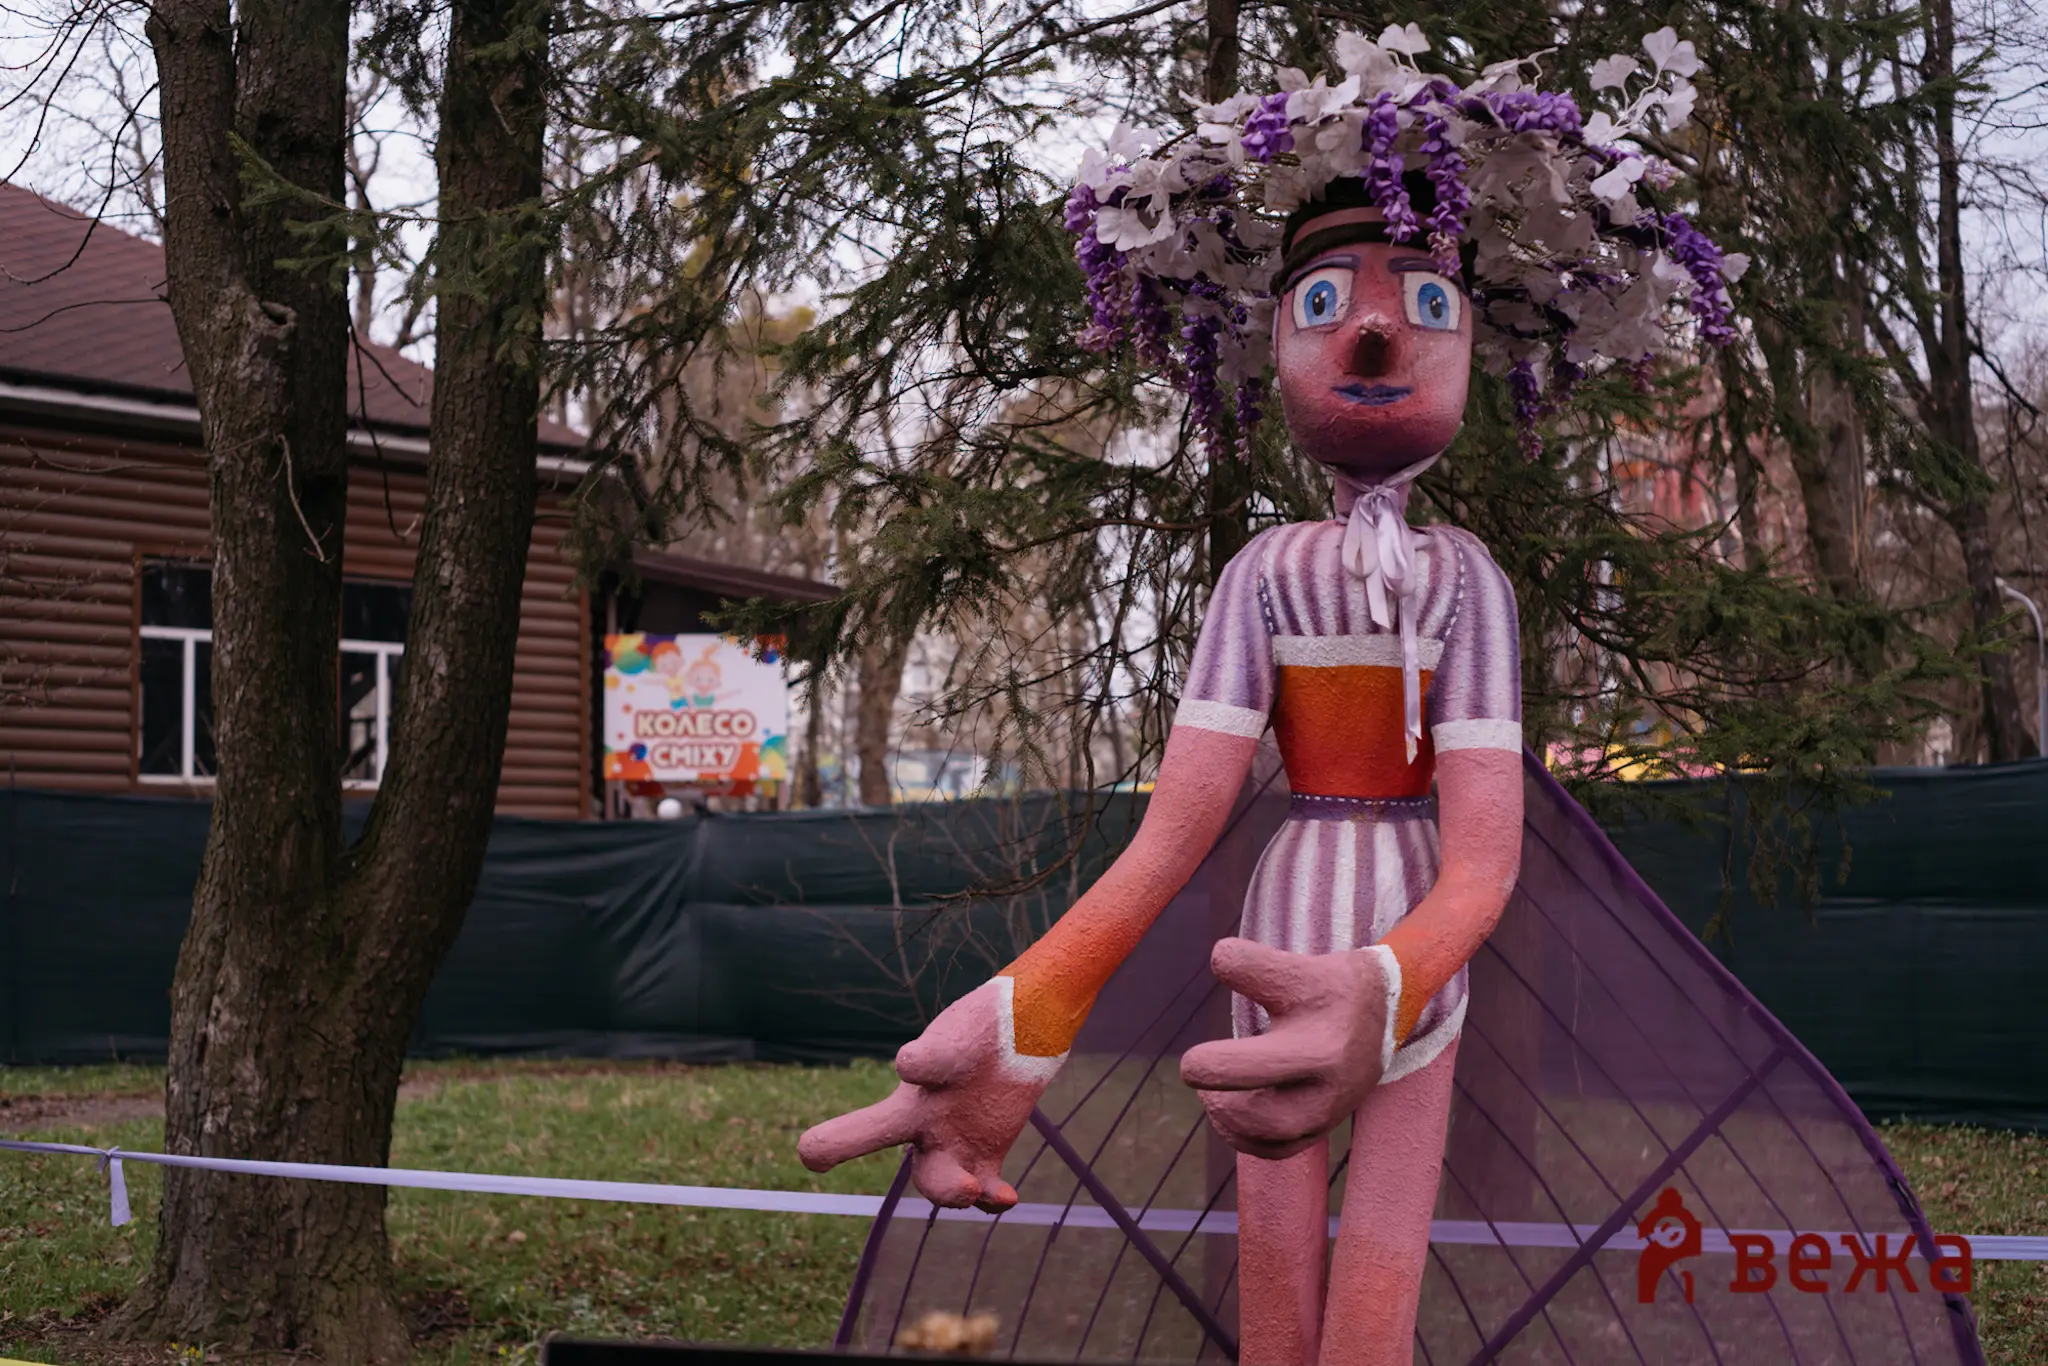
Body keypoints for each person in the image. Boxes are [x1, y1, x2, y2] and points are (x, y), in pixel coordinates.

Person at [800, 28, 1740, 1365]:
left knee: (1375, 1295)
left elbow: (1485, 857)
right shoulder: (1262, 577)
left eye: (1426, 301)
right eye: (1324, 301)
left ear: (1476, 343)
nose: (1373, 327)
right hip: (1287, 945)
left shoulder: (1466, 584)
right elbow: (1173, 832)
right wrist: (1021, 1017)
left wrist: (1391, 981)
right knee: (1275, 1286)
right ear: (1272, 344)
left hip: (1415, 977)